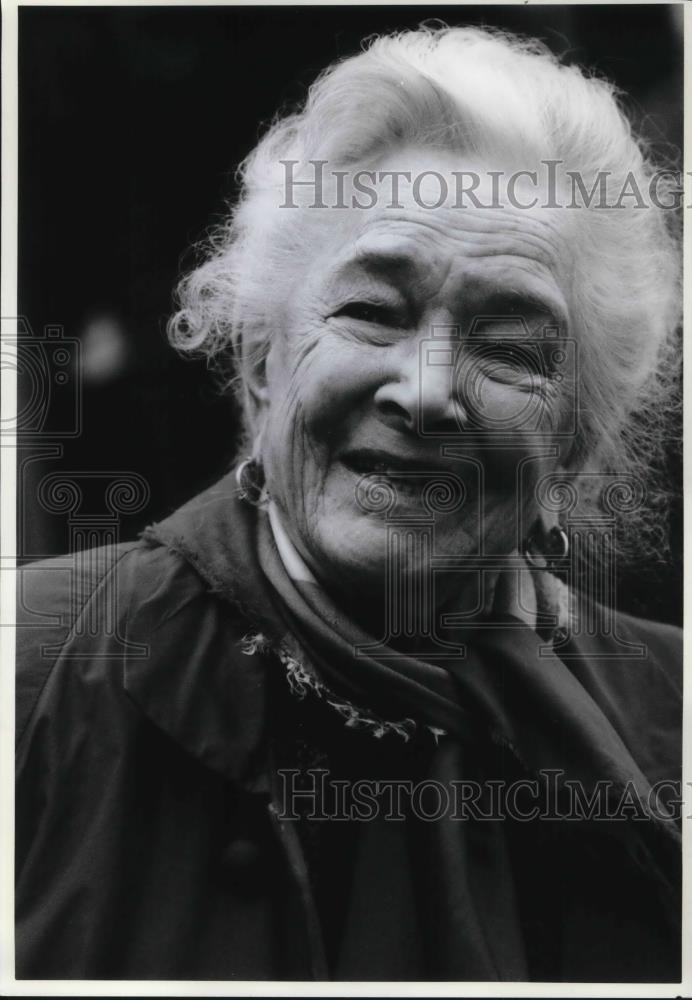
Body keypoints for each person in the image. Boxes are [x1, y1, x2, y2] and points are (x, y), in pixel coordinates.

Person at [15, 26, 682, 982]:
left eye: (509, 345)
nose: (425, 390)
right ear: (259, 362)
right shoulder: (34, 669)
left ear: (572, 440)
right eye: (373, 310)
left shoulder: (675, 716)